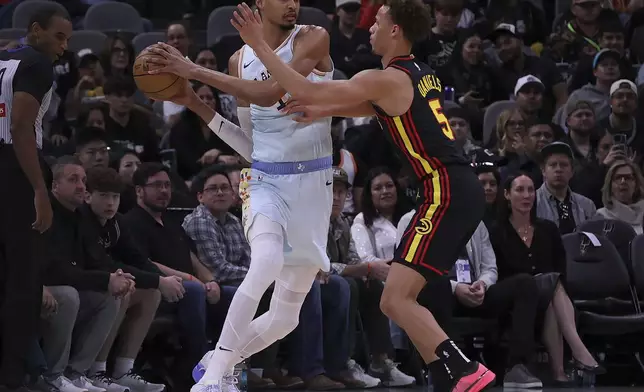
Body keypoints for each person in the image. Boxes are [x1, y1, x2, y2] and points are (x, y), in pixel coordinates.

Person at [226, 1, 495, 391]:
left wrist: (259, 46)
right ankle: (444, 377)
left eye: (378, 22)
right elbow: (358, 104)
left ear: (396, 31)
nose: (369, 27)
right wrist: (319, 108)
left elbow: (301, 87)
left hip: (444, 191)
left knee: (395, 301)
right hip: (457, 188)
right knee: (405, 297)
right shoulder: (417, 74)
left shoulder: (384, 77)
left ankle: (464, 369)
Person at [144, 1, 336, 391]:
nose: (292, 4)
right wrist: (195, 103)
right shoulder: (238, 61)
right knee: (263, 263)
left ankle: (218, 358)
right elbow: (253, 147)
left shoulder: (314, 38)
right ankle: (213, 379)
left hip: (314, 189)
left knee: (286, 318)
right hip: (266, 183)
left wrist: (194, 72)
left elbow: (270, 93)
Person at [0, 7, 71, 391]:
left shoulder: (4, 54)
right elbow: (20, 127)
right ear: (36, 30)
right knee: (22, 285)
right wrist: (40, 190)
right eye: (59, 37)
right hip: (16, 173)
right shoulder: (38, 64)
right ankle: (14, 378)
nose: (64, 47)